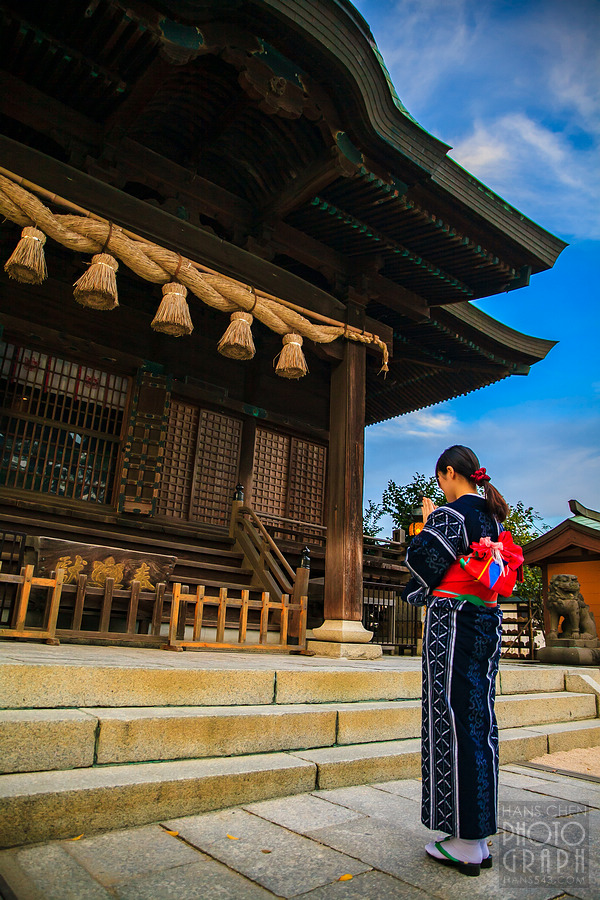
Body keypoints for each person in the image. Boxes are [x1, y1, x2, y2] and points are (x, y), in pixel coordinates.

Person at [402, 445, 511, 877]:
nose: (440, 486)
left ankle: (464, 841)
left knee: (452, 718)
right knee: (479, 719)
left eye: (441, 478)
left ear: (450, 473)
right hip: (486, 619)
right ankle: (477, 837)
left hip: (455, 623)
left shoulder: (452, 514)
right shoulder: (493, 517)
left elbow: (421, 560)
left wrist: (428, 524)